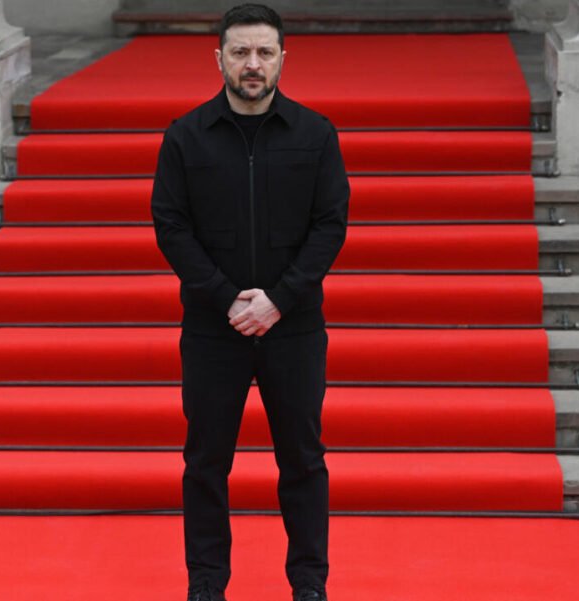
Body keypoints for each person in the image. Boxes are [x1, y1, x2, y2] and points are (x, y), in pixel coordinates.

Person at [151, 4, 350, 600]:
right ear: (219, 59)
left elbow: (330, 225)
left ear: (284, 58)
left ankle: (309, 585)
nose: (253, 64)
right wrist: (224, 299)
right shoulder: (185, 137)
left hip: (294, 328)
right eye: (240, 52)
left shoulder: (316, 135)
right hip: (214, 329)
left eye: (264, 52)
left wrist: (279, 301)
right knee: (206, 464)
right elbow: (171, 226)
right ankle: (206, 586)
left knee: (304, 462)